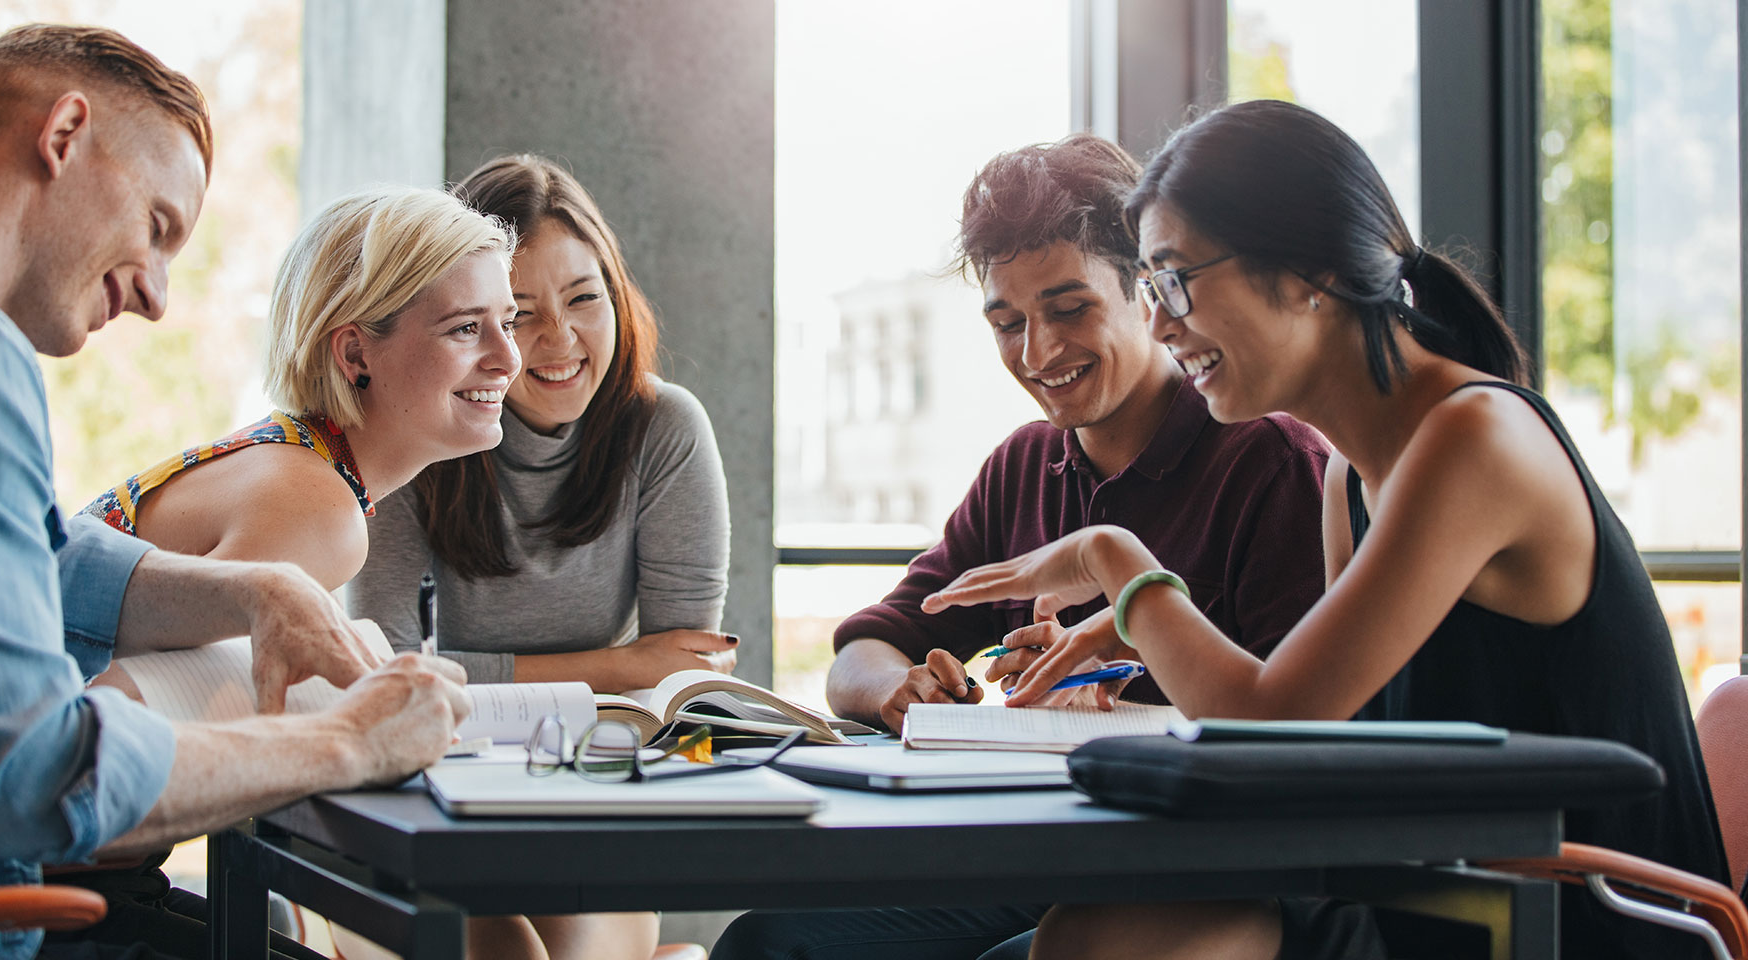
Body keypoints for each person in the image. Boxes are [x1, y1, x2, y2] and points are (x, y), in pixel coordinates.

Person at [923, 100, 1728, 960]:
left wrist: (1112, 561)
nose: (1159, 323)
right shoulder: (1353, 472)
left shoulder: (1473, 441)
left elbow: (1270, 720)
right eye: (1153, 288)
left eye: (1178, 280)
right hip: (1439, 894)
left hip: (1578, 916)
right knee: (1084, 938)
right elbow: (1317, 747)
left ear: (1311, 271)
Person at [0, 25, 471, 960]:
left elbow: (21, 561)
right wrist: (352, 741)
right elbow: (38, 777)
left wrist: (255, 590)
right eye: (158, 228)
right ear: (64, 136)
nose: (158, 295)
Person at [712, 135, 1331, 960]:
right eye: (1008, 323)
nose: (1037, 354)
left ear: (1147, 293)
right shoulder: (1024, 464)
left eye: (1070, 310)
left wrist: (1124, 695)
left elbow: (1292, 738)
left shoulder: (1270, 461)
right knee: (769, 945)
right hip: (1043, 859)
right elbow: (863, 648)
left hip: (1204, 876)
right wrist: (901, 692)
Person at [346, 155, 732, 960]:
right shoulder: (414, 433)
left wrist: (631, 673)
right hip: (433, 795)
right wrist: (617, 666)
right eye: (519, 314)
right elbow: (382, 677)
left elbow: (682, 680)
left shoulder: (665, 429)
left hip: (591, 789)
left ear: (617, 293)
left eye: (585, 298)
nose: (559, 341)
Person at [81, 184, 521, 592]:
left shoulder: (297, 462)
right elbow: (122, 677)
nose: (509, 359)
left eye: (508, 323)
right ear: (354, 354)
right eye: (465, 328)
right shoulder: (319, 514)